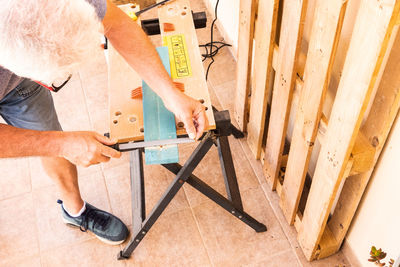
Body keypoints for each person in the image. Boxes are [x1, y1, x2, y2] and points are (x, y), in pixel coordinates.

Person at [0, 0, 208, 245]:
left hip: (17, 84)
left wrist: (170, 93)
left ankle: (75, 211)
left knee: (49, 138)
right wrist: (61, 144)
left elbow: (117, 25)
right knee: (54, 144)